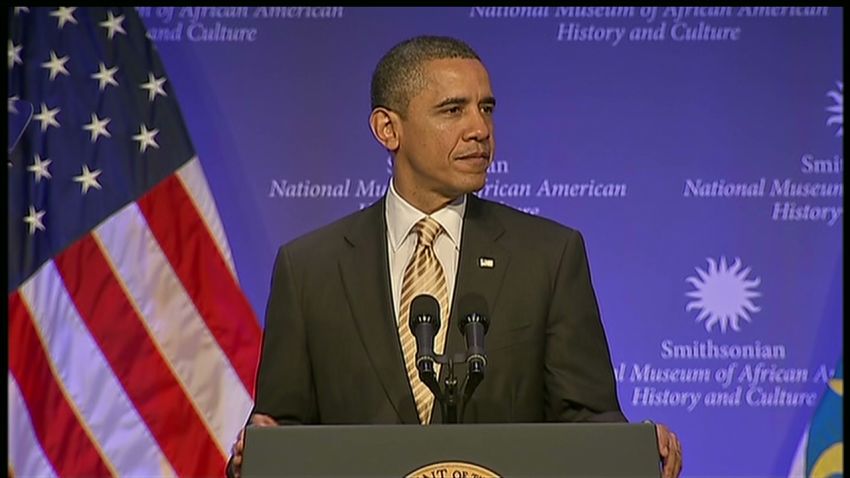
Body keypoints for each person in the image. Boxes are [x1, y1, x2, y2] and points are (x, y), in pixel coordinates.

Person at [229, 35, 682, 478]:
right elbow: (282, 431)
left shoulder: (548, 256)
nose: (480, 130)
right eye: (453, 110)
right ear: (389, 129)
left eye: (486, 108)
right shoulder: (310, 268)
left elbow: (586, 418)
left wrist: (634, 448)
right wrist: (257, 451)